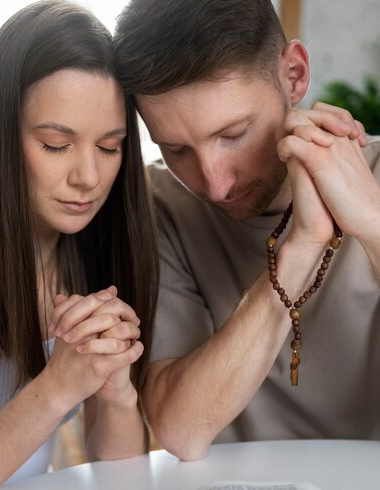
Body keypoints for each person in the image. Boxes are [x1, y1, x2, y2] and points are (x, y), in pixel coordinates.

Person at [114, 0, 380, 460]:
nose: (215, 184)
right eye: (176, 149)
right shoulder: (160, 209)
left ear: (294, 75)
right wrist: (302, 246)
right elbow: (181, 430)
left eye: (234, 133)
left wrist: (373, 225)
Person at [0, 0, 158, 490]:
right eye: (55, 144)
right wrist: (57, 387)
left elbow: (123, 484)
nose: (88, 178)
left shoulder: (96, 255)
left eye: (110, 146)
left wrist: (114, 391)